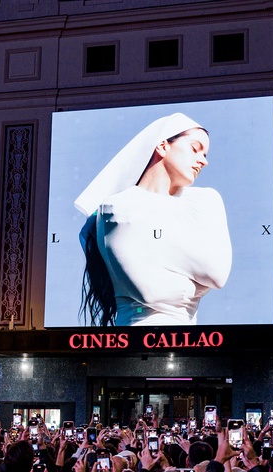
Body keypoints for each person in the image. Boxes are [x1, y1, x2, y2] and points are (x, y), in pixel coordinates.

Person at [75, 112, 232, 326]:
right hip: (133, 342)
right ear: (162, 146)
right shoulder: (117, 207)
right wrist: (197, 283)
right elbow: (151, 293)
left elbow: (217, 274)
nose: (204, 161)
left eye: (205, 154)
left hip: (191, 343)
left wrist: (155, 251)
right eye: (195, 149)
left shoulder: (205, 200)